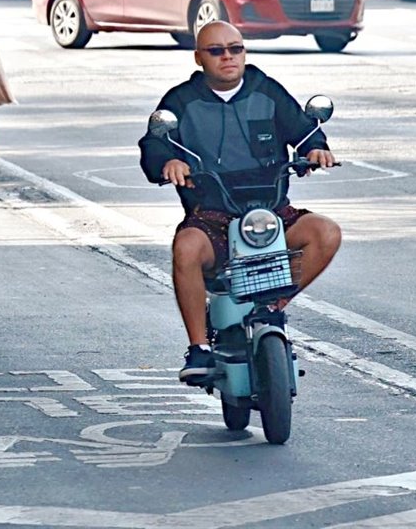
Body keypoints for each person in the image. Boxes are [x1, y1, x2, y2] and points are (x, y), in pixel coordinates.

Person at [138, 21, 341, 384]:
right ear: (199, 57)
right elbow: (154, 143)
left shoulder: (267, 91)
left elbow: (303, 130)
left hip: (271, 213)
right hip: (211, 216)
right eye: (216, 51)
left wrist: (316, 149)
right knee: (185, 248)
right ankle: (198, 347)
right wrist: (168, 161)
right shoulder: (180, 101)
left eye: (236, 49)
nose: (228, 57)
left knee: (326, 232)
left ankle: (271, 307)